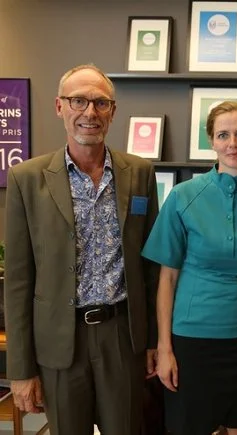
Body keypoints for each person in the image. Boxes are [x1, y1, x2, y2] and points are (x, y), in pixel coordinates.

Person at [4, 64, 160, 435]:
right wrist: (21, 370)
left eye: (100, 103)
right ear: (60, 107)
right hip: (59, 341)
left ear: (112, 111)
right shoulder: (27, 178)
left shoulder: (139, 173)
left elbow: (151, 267)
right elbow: (19, 282)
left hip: (121, 336)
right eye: (78, 101)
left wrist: (153, 341)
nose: (90, 112)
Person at [141, 100, 237, 435]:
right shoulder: (183, 198)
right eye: (223, 134)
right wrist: (165, 347)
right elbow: (166, 279)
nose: (233, 143)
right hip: (191, 342)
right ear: (211, 141)